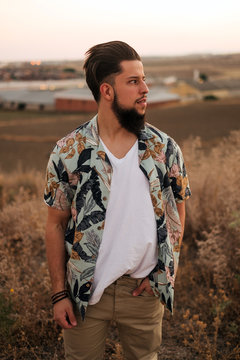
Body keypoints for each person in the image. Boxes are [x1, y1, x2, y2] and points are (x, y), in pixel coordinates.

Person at [44, 40, 191, 360]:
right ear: (107, 91)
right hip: (84, 292)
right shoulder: (68, 151)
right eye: (134, 81)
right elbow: (55, 224)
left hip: (143, 290)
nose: (146, 89)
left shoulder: (164, 149)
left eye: (145, 79)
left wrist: (166, 273)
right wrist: (59, 295)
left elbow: (177, 208)